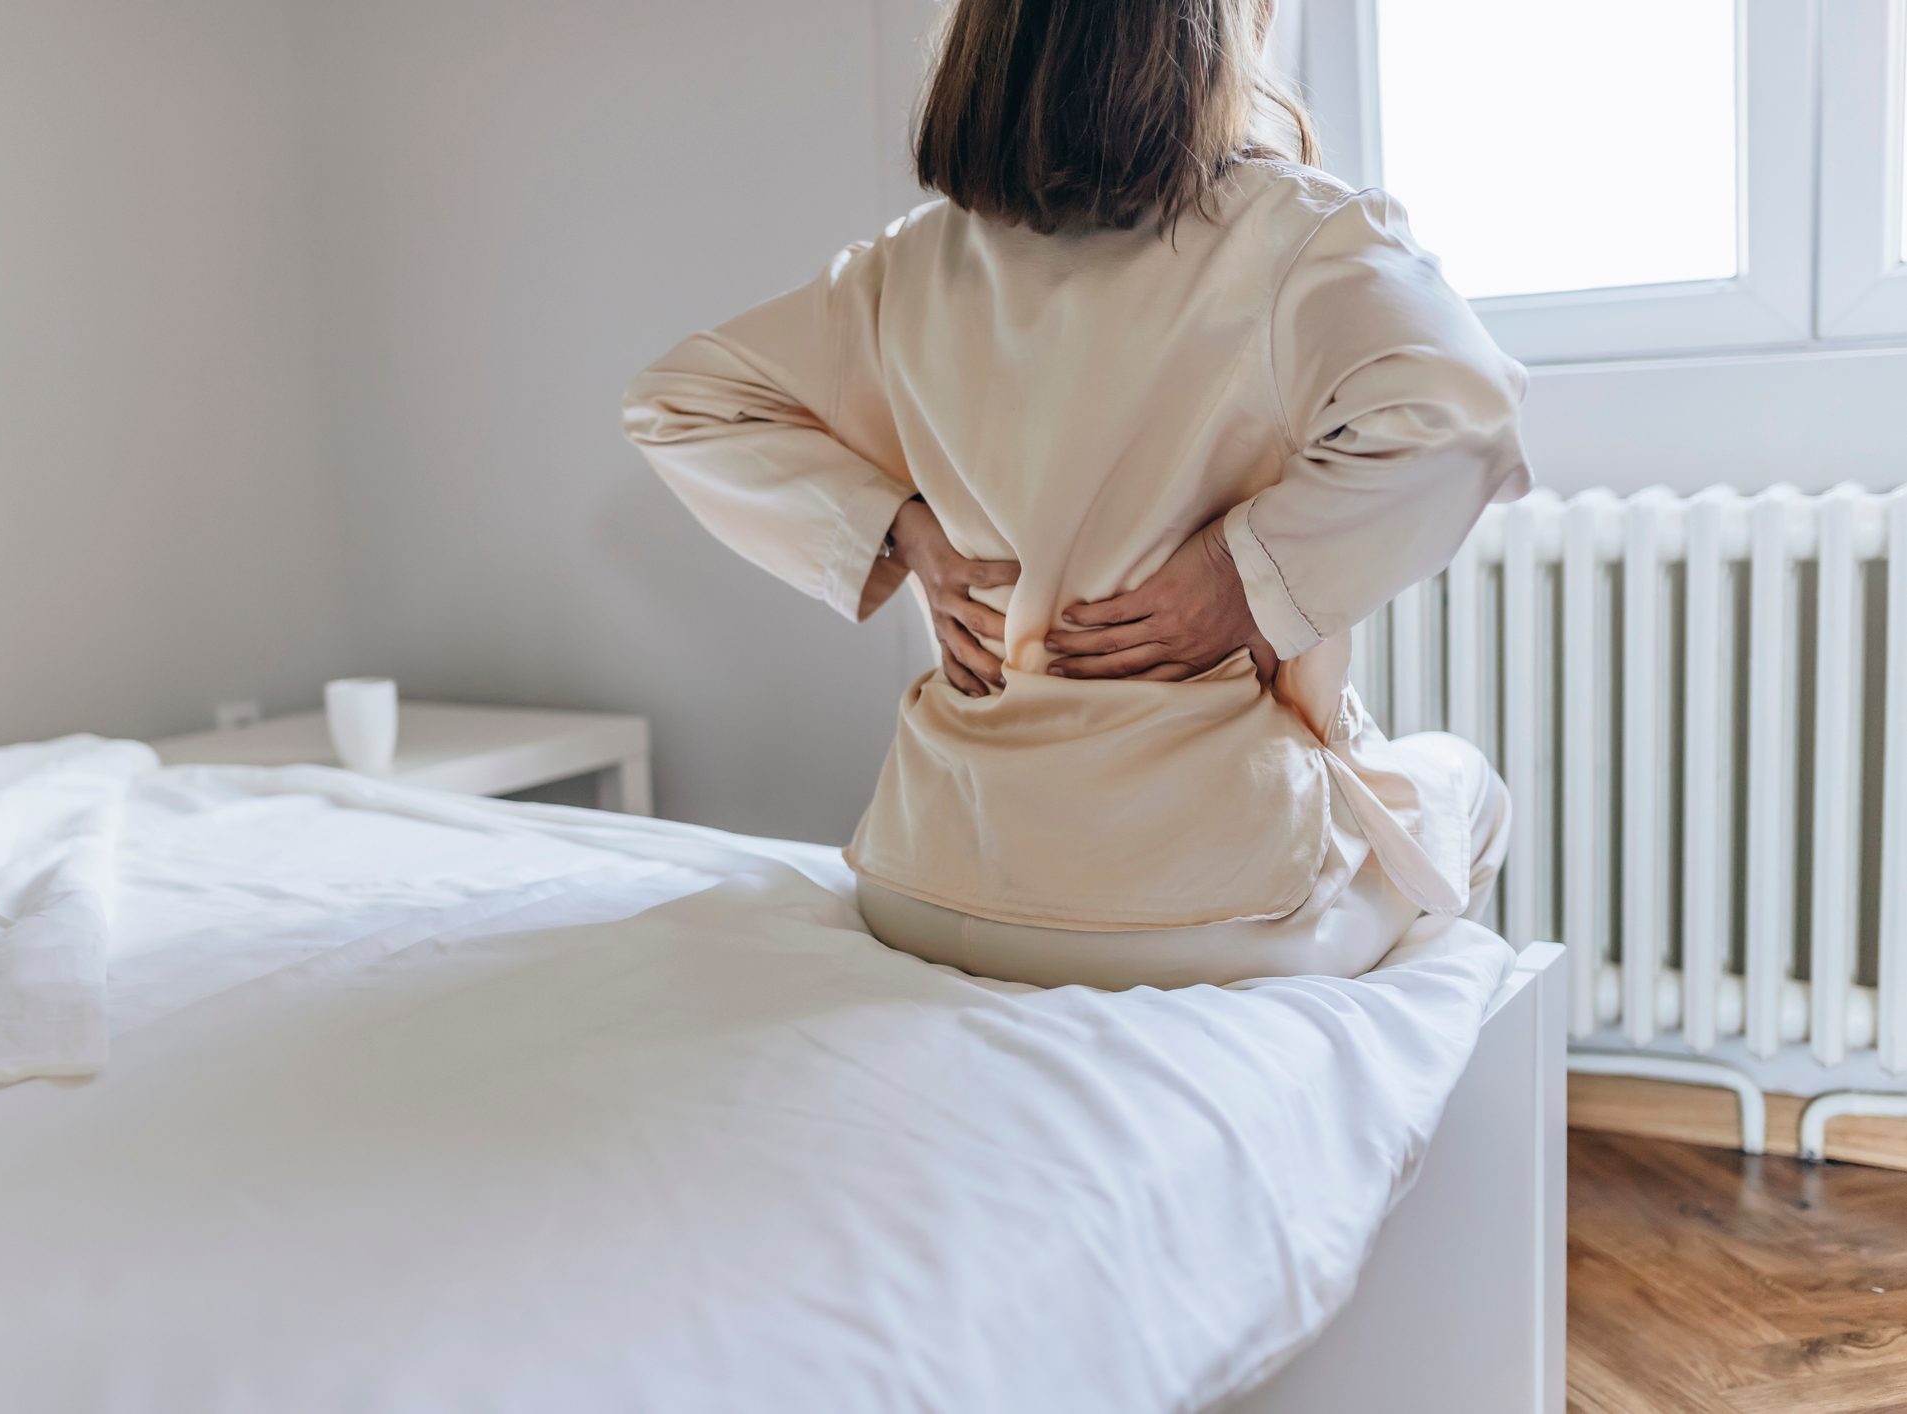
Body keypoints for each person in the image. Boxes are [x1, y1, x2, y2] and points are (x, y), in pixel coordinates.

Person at [623, 0, 1529, 989]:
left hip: (924, 884)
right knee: (1464, 789)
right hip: (1201, 908)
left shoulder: (912, 263)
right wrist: (1245, 572)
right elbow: (1465, 414)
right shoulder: (1302, 237)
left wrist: (900, 534)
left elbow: (678, 402)